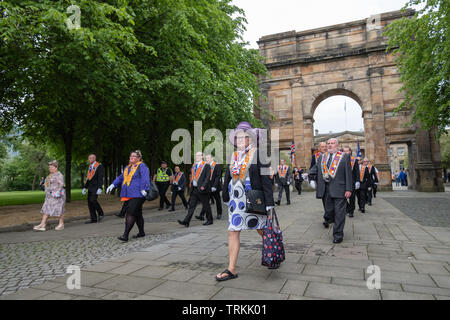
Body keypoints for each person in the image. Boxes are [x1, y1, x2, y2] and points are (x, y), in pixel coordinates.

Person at [216, 122, 274, 281]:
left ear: (251, 139)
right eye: (238, 136)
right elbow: (228, 177)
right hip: (236, 200)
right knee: (233, 230)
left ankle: (273, 252)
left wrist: (269, 203)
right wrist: (225, 197)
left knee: (262, 229)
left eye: (244, 136)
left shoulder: (258, 154)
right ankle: (231, 269)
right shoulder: (233, 155)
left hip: (254, 198)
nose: (240, 139)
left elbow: (266, 180)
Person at [308, 138, 352, 243]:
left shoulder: (344, 156)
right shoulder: (322, 157)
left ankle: (338, 235)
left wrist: (349, 189)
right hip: (325, 189)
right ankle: (334, 220)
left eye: (332, 143)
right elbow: (315, 169)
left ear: (337, 145)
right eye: (328, 143)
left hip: (340, 189)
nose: (329, 145)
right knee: (329, 211)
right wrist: (308, 176)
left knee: (339, 213)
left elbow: (348, 174)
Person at [106, 150, 150, 242]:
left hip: (138, 194)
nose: (131, 158)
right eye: (131, 156)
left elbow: (145, 177)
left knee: (130, 213)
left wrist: (144, 189)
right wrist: (113, 185)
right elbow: (121, 177)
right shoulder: (128, 167)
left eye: (134, 156)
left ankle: (125, 235)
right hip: (129, 194)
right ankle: (141, 232)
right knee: (138, 214)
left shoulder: (142, 166)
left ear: (139, 158)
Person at [178, 152, 213, 227]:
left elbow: (207, 177)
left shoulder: (206, 165)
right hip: (194, 189)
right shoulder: (194, 165)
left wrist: (204, 185)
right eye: (195, 155)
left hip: (202, 189)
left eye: (198, 155)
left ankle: (210, 220)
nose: (196, 157)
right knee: (191, 206)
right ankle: (186, 221)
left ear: (202, 156)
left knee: (206, 205)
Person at [34, 161, 65, 231]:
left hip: (57, 196)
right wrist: (42, 184)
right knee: (46, 209)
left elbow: (61, 184)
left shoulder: (59, 175)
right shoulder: (49, 176)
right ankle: (43, 224)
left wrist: (56, 192)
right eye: (49, 167)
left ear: (56, 167)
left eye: (51, 167)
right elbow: (47, 185)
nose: (50, 168)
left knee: (59, 209)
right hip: (49, 196)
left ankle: (61, 224)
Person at [306, 141, 329, 227]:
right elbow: (312, 168)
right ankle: (327, 217)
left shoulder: (332, 156)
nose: (324, 148)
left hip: (331, 182)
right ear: (319, 148)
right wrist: (311, 179)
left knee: (331, 200)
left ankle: (329, 216)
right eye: (322, 146)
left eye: (325, 146)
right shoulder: (315, 157)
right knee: (325, 200)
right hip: (320, 182)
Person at [196, 154, 223, 220]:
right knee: (206, 201)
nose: (207, 159)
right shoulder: (205, 166)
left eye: (208, 158)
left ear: (212, 158)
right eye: (206, 158)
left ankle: (219, 213)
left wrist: (214, 186)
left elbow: (218, 176)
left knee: (218, 201)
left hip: (215, 187)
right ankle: (201, 215)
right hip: (208, 187)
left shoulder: (217, 165)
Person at [82, 154, 105, 223]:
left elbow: (100, 177)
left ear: (94, 158)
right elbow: (88, 178)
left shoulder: (99, 166)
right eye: (88, 158)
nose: (89, 159)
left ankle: (101, 213)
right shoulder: (90, 167)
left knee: (93, 200)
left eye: (90, 158)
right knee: (90, 203)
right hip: (90, 187)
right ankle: (93, 218)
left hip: (96, 186)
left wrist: (100, 187)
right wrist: (85, 187)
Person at [343, 146, 360, 218]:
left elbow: (357, 172)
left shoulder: (354, 160)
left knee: (352, 198)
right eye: (344, 151)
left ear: (350, 152)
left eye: (347, 151)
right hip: (343, 182)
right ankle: (348, 208)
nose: (346, 152)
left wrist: (357, 181)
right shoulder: (340, 160)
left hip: (352, 182)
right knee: (342, 197)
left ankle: (351, 211)